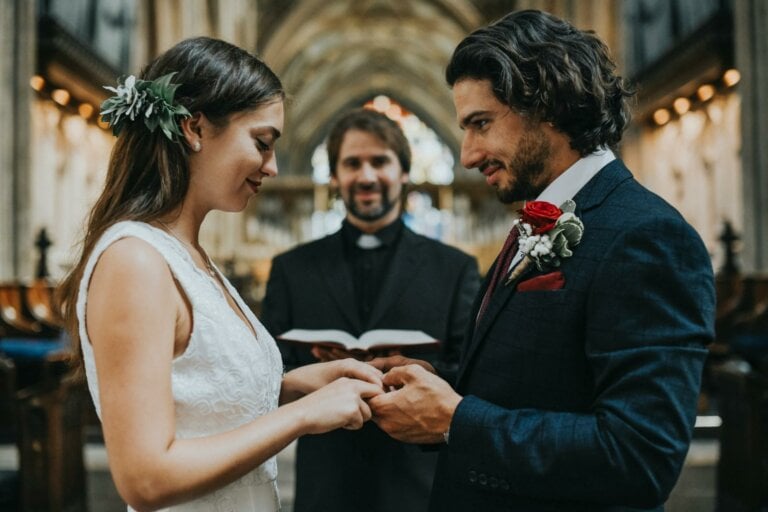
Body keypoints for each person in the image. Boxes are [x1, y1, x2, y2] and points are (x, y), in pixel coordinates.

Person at [368, 9, 715, 512]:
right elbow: (537, 378)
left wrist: (456, 420)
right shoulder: (539, 218)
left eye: (481, 124)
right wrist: (435, 386)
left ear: (547, 104)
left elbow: (641, 455)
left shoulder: (647, 236)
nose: (467, 154)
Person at [57, 37, 384, 512]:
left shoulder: (189, 254)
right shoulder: (136, 261)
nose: (271, 167)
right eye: (262, 142)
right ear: (194, 129)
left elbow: (198, 397)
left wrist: (294, 386)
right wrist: (301, 417)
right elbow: (145, 479)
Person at [261, 108, 480, 512]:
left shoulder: (454, 268)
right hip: (327, 484)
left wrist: (419, 375)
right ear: (334, 177)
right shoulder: (293, 269)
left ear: (403, 173)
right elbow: (263, 375)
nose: (366, 176)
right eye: (352, 163)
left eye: (380, 161)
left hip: (418, 485)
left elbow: (470, 373)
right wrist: (310, 373)